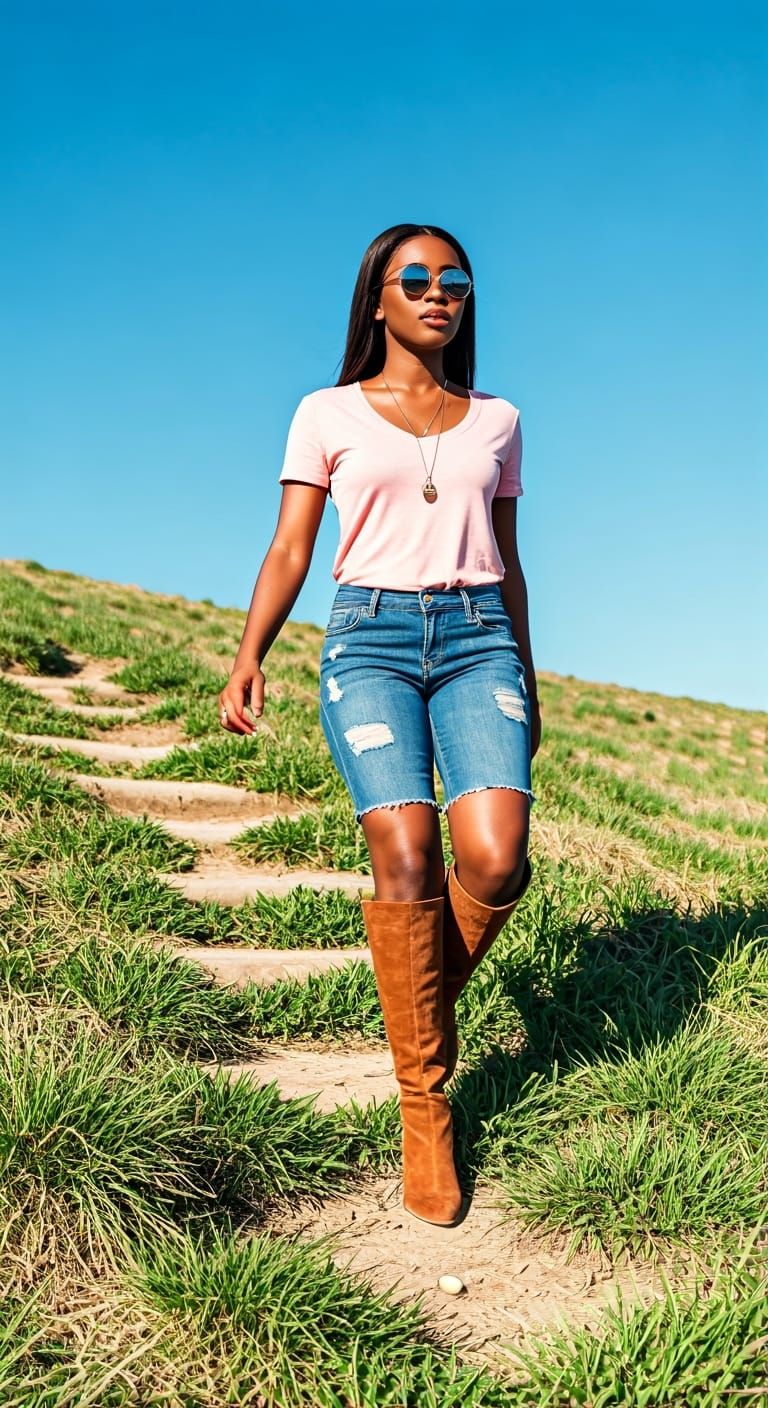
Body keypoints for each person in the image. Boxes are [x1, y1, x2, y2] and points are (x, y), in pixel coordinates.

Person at [218, 222, 542, 1229]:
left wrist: (526, 675)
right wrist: (248, 654)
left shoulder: (499, 420)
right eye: (415, 278)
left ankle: (414, 1009)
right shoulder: (325, 412)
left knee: (494, 857)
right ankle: (425, 1103)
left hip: (480, 637)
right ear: (378, 302)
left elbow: (509, 553)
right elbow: (290, 547)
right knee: (405, 854)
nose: (438, 292)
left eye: (455, 279)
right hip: (368, 640)